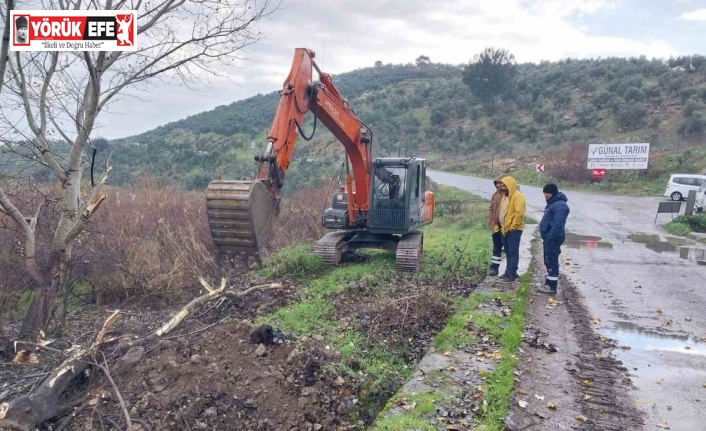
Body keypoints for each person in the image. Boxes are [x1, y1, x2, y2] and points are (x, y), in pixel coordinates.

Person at [538, 183, 570, 294]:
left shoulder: (560, 205)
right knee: (548, 260)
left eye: (547, 193)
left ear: (553, 193)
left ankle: (551, 287)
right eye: (544, 192)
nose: (545, 195)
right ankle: (549, 283)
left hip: (553, 238)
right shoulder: (552, 203)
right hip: (549, 237)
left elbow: (558, 224)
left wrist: (550, 237)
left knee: (551, 260)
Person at [497, 176, 525, 283]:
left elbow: (519, 214)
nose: (503, 188)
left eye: (505, 185)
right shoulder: (505, 196)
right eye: (502, 185)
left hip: (513, 230)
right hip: (504, 228)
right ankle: (508, 272)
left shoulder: (518, 197)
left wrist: (512, 227)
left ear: (510, 185)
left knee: (513, 251)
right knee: (508, 252)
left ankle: (512, 273)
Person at [487, 174, 507, 276]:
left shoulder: (509, 194)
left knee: (509, 249)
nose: (498, 185)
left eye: (500, 183)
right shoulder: (495, 195)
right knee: (496, 248)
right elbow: (491, 208)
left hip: (507, 227)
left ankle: (510, 271)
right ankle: (494, 268)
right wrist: (491, 221)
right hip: (496, 226)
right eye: (497, 183)